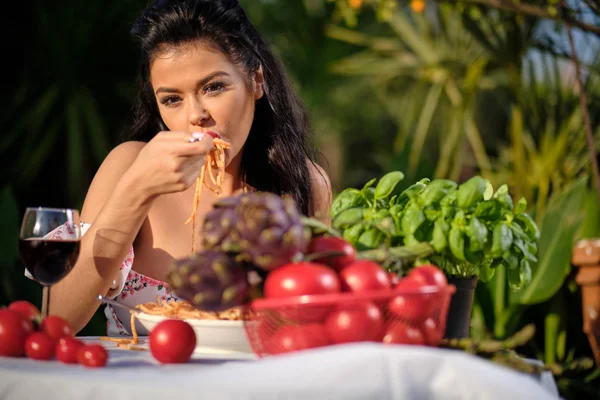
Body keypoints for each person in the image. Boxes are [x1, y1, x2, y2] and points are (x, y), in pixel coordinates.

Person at [47, 0, 332, 335]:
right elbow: (56, 320)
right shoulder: (128, 165)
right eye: (172, 99)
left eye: (213, 87)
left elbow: (316, 324)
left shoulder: (302, 183)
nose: (196, 114)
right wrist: (136, 191)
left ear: (256, 81)